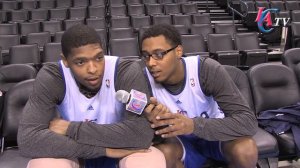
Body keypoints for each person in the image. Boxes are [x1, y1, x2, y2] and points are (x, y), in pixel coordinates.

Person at [18, 24, 166, 168]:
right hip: (79, 154)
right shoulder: (53, 76)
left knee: (149, 159)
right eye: (80, 62)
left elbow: (140, 134)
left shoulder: (125, 71)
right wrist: (103, 151)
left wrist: (72, 129)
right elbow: (28, 140)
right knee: (45, 164)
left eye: (98, 58)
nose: (93, 69)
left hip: (125, 153)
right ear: (65, 61)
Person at [140, 24, 258, 168]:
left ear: (178, 51)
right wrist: (153, 126)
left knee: (246, 149)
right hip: (179, 142)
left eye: (159, 54)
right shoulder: (142, 79)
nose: (151, 63)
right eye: (146, 56)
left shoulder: (205, 70)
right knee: (161, 155)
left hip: (215, 135)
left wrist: (193, 125)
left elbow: (247, 122)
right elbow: (139, 136)